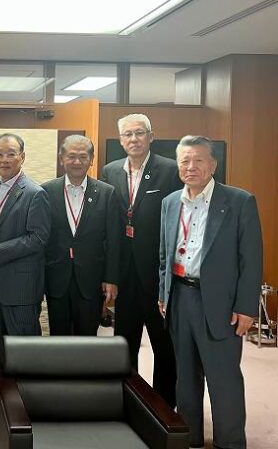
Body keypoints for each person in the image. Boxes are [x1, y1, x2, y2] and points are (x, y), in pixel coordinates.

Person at [159, 135, 262, 449]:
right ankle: (189, 437)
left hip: (221, 303)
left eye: (198, 160)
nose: (191, 167)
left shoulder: (239, 201)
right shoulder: (170, 202)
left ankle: (229, 442)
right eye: (185, 161)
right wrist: (164, 293)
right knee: (186, 378)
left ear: (213, 165)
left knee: (224, 378)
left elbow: (251, 259)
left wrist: (246, 307)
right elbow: (164, 254)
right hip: (180, 297)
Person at [100, 113, 180, 407]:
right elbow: (109, 226)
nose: (133, 139)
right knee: (125, 342)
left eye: (139, 133)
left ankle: (164, 405)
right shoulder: (110, 171)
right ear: (121, 140)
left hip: (157, 274)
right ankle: (129, 400)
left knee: (164, 345)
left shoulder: (170, 170)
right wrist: (110, 274)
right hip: (125, 275)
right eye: (127, 134)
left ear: (151, 136)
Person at [0, 133, 50, 411]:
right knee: (3, 341)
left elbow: (38, 238)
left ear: (22, 157)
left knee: (24, 346)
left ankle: (30, 404)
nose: (4, 159)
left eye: (11, 153)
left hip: (22, 286)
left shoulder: (35, 193)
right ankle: (7, 397)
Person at [42, 135, 121, 336]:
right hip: (56, 277)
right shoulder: (46, 191)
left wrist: (111, 278)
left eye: (83, 156)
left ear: (91, 159)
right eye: (71, 156)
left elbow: (113, 240)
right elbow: (41, 237)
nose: (77, 161)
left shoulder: (107, 193)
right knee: (58, 336)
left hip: (91, 279)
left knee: (87, 338)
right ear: (61, 158)